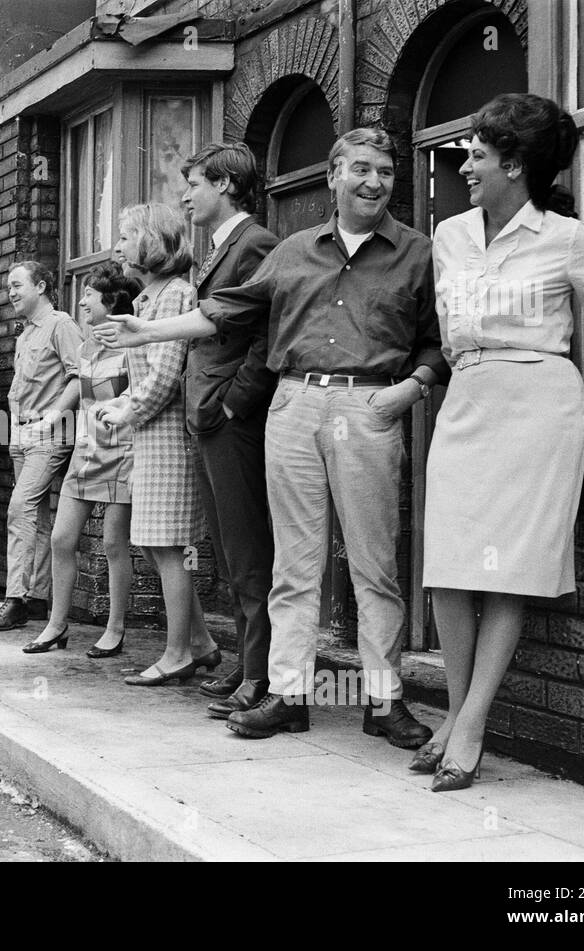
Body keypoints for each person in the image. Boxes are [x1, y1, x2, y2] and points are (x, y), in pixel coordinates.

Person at [97, 129, 444, 745]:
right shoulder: (293, 250)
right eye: (361, 169)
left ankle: (385, 703)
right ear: (333, 176)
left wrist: (411, 389)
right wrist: (145, 333)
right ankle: (289, 695)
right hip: (294, 404)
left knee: (374, 567)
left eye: (386, 172)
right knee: (294, 564)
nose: (374, 182)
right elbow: (224, 311)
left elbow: (437, 340)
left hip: (369, 405)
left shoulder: (418, 252)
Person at [420, 94, 584, 791]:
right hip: (467, 400)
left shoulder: (566, 239)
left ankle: (469, 726)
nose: (465, 165)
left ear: (516, 165)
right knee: (448, 566)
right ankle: (455, 712)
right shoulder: (450, 236)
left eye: (477, 154)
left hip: (537, 407)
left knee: (508, 570)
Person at [93, 204, 220, 686]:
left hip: (170, 439)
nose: (118, 246)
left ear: (150, 241)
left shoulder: (177, 294)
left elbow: (166, 374)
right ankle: (201, 643)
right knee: (153, 546)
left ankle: (177, 652)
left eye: (126, 236)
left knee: (168, 547)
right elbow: (147, 373)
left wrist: (127, 410)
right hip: (151, 437)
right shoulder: (150, 298)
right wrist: (121, 401)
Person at [178, 143, 281, 720]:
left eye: (193, 183)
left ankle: (262, 674)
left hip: (230, 421)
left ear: (225, 185)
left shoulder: (255, 243)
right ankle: (248, 662)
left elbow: (269, 335)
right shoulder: (221, 247)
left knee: (247, 548)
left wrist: (235, 405)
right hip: (208, 417)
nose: (185, 196)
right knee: (227, 547)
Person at [23, 263, 141, 656]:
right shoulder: (86, 346)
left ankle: (115, 628)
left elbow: (141, 396)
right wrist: (52, 417)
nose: (82, 302)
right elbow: (79, 391)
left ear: (111, 301)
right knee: (61, 538)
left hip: (123, 451)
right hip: (86, 450)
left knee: (114, 543)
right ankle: (56, 625)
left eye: (89, 294)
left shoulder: (134, 344)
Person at [0, 262, 83, 631]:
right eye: (8, 286)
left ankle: (15, 599)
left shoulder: (61, 324)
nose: (10, 293)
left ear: (41, 286)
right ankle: (37, 598)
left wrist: (50, 420)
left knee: (18, 510)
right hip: (21, 435)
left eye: (17, 285)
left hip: (49, 435)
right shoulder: (25, 334)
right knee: (35, 518)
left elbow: (79, 376)